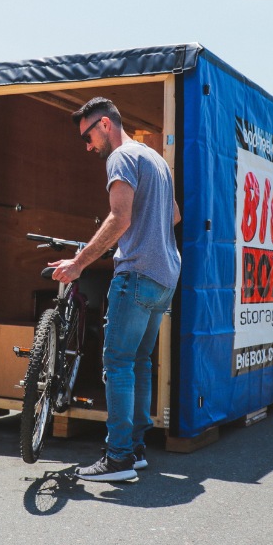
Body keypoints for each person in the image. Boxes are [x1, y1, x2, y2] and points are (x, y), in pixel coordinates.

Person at [49, 97, 181, 482]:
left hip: (137, 274)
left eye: (88, 136)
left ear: (105, 124)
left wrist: (78, 263)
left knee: (118, 364)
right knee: (138, 363)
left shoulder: (121, 158)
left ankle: (119, 457)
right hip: (164, 277)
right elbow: (174, 214)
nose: (88, 146)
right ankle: (135, 449)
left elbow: (119, 218)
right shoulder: (155, 159)